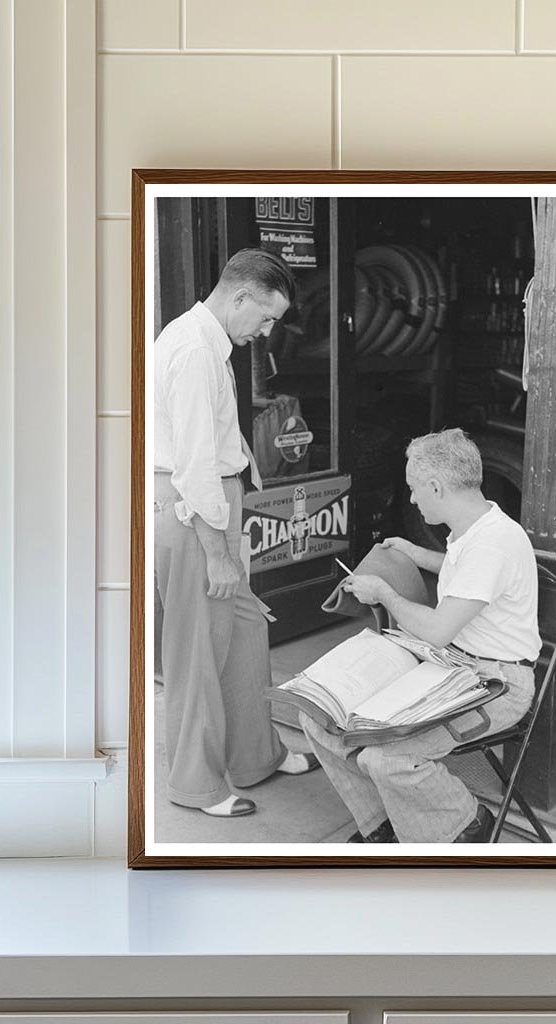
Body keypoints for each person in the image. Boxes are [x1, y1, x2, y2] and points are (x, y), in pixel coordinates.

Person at [300, 428, 541, 843]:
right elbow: (463, 571)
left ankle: (464, 824)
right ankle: (384, 825)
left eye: (414, 489)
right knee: (319, 716)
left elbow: (436, 628)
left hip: (497, 683)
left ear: (436, 486)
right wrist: (414, 553)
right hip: (454, 666)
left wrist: (384, 593)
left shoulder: (492, 545)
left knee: (385, 757)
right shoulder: (478, 525)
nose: (411, 499)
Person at [154, 247, 318, 819]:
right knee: (197, 651)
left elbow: (211, 438)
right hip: (194, 514)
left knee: (245, 631)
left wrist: (246, 468)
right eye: (266, 317)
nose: (268, 332)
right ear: (241, 296)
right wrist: (218, 554)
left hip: (214, 502)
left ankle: (256, 757)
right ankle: (197, 785)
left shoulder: (206, 342)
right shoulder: (197, 351)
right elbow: (193, 466)